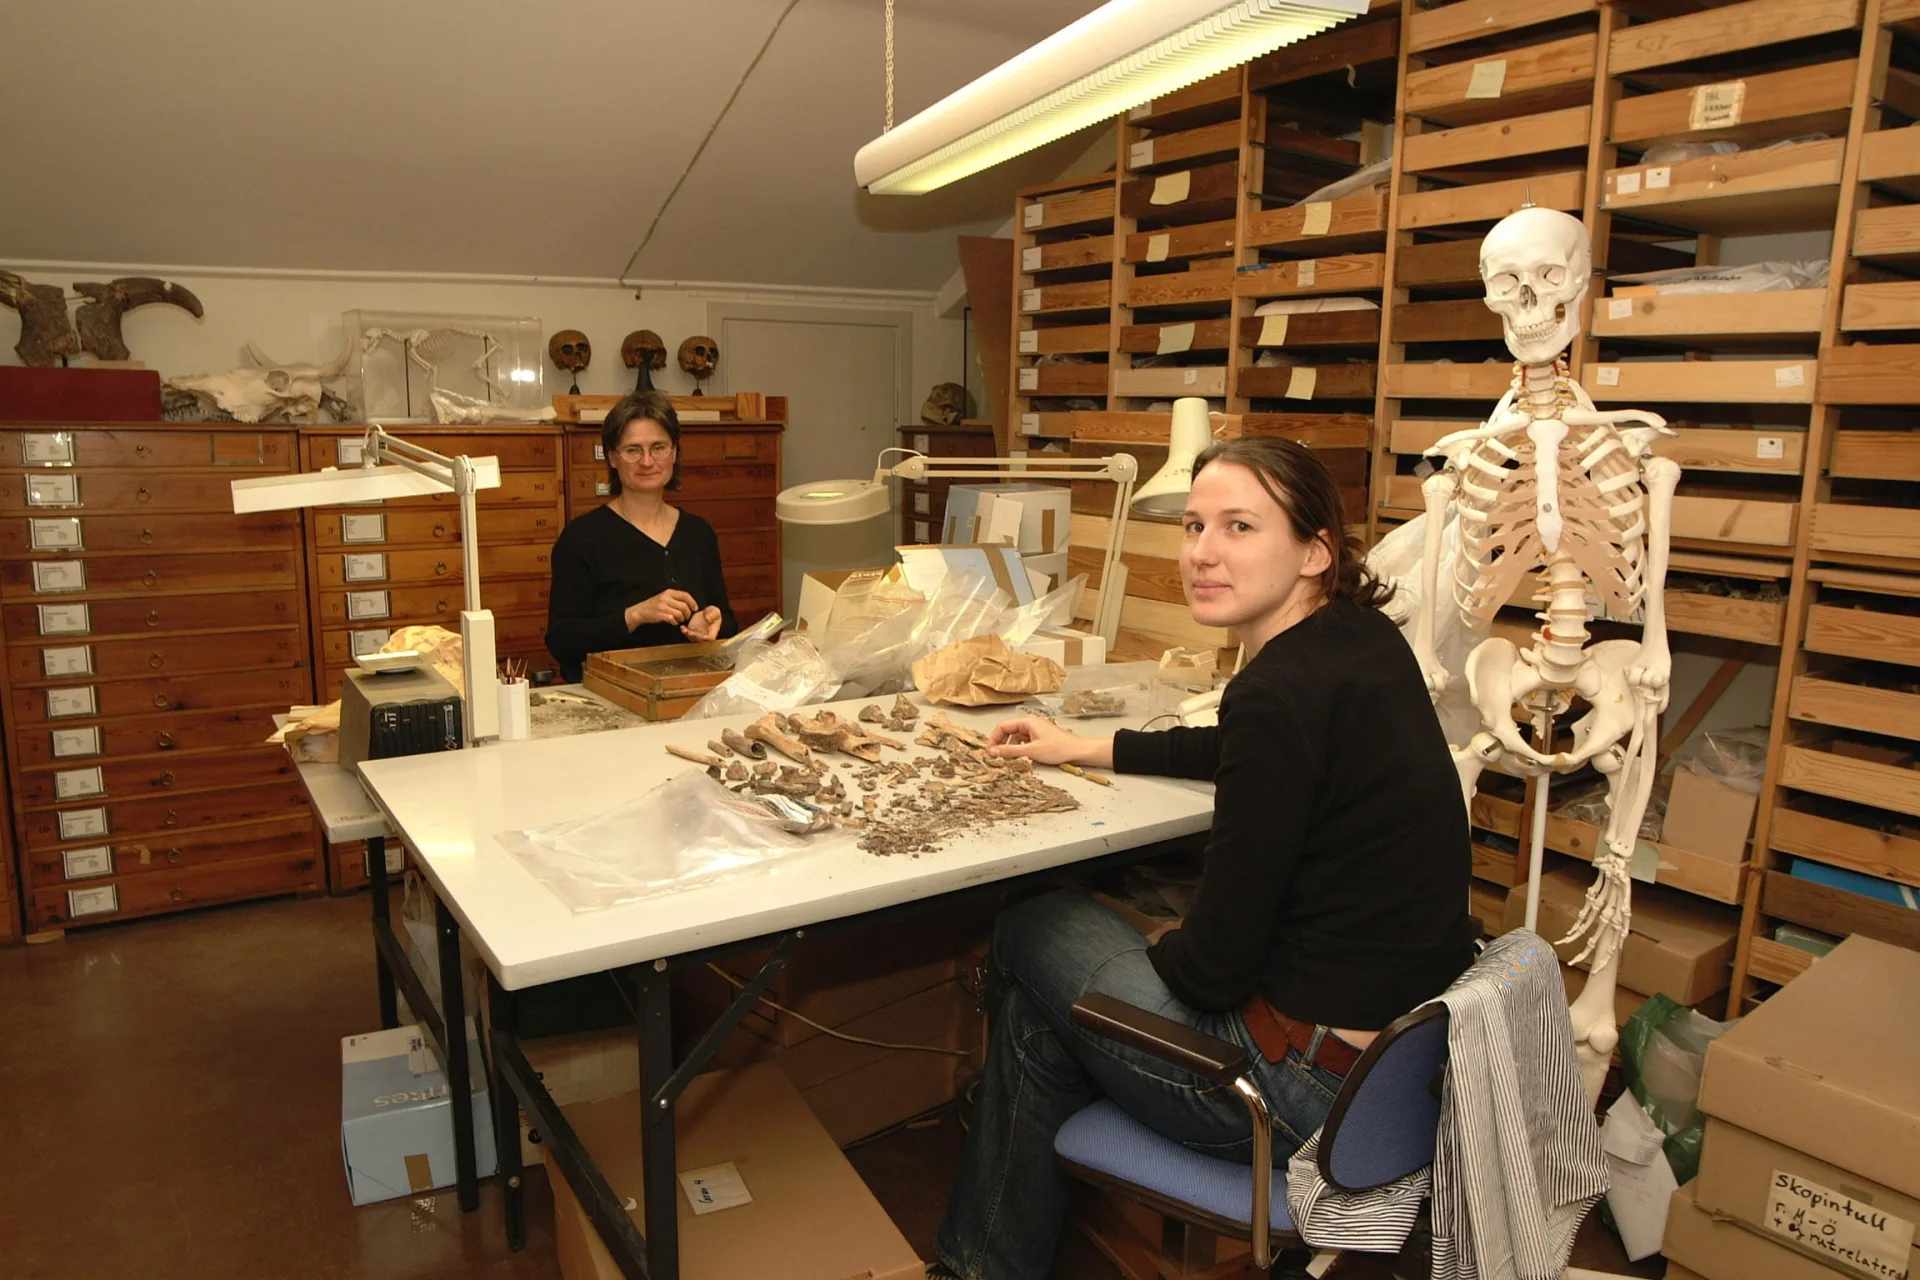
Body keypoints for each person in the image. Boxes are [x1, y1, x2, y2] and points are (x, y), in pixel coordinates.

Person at [928, 437, 1476, 1280]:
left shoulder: (1277, 691)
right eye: (1193, 526)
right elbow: (1243, 745)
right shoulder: (1357, 639)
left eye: (1239, 527)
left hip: (1296, 1100)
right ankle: (982, 1261)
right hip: (1396, 1079)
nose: (1201, 553)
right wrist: (1088, 745)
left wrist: (1152, 937)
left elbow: (1212, 971)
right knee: (1048, 1015)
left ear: (1314, 550)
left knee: (1032, 925)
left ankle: (981, 1265)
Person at [545, 391, 737, 682]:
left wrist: (711, 624)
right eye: (633, 450)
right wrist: (634, 616)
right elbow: (562, 640)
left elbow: (727, 619)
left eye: (658, 447)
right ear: (611, 457)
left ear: (674, 452)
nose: (647, 462)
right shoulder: (582, 538)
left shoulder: (698, 533)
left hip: (687, 685)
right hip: (612, 692)